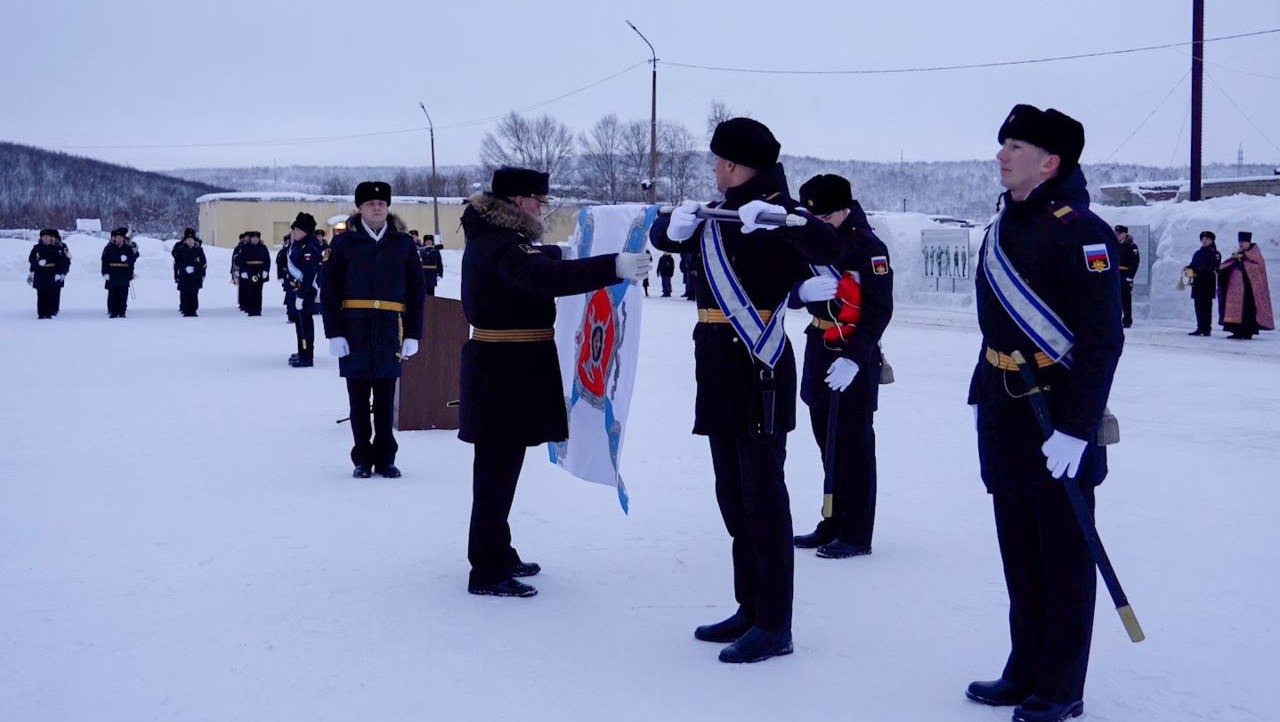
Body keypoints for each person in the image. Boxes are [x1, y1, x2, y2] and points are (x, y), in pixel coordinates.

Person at [649, 118, 840, 663]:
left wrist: (786, 222)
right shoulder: (720, 211)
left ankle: (775, 623)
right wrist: (670, 229)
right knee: (732, 495)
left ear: (734, 164)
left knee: (764, 499)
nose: (714, 169)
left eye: (718, 161)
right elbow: (666, 238)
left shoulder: (777, 211)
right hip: (717, 365)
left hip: (760, 366)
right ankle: (749, 606)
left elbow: (828, 243)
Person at [966, 105, 1124, 722]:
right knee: (1020, 551)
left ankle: (1061, 685)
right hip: (1004, 408)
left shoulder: (1082, 231)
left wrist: (1077, 429)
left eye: (1015, 146)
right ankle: (1024, 667)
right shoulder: (1003, 224)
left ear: (1050, 162)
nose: (1001, 155)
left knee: (1062, 555)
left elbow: (1102, 340)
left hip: (1056, 413)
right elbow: (995, 326)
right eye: (1002, 143)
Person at [459, 166, 650, 598]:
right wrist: (612, 265)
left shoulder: (497, 238)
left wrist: (563, 252)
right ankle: (486, 568)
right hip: (502, 372)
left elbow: (539, 261)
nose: (542, 208)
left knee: (501, 468)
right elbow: (545, 277)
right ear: (518, 201)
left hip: (506, 368)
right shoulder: (503, 245)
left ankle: (497, 550)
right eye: (538, 200)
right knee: (495, 472)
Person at [790, 174, 894, 559]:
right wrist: (801, 293)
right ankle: (833, 521)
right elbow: (788, 285)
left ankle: (856, 531)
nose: (821, 223)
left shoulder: (869, 247)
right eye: (815, 217)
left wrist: (853, 358)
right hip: (819, 346)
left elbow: (879, 310)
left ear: (844, 209)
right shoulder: (807, 237)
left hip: (854, 353)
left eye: (827, 216)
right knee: (827, 441)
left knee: (854, 446)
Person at [321, 181, 427, 478]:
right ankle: (362, 458)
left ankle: (386, 458)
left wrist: (413, 333)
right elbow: (329, 291)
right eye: (370, 203)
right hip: (353, 329)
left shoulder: (403, 244)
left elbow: (416, 292)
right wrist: (334, 333)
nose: (377, 207)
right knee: (358, 399)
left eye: (381, 203)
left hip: (389, 329)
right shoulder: (343, 244)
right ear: (360, 208)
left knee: (384, 399)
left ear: (388, 207)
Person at [1218, 231, 1274, 339]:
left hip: (1249, 290)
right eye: (1240, 242)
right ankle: (1236, 331)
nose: (1241, 244)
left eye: (1243, 242)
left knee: (1247, 310)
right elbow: (1228, 264)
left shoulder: (1255, 255)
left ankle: (1247, 332)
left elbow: (1258, 268)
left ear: (1248, 242)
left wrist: (1243, 264)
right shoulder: (1239, 253)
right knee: (1234, 310)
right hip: (1234, 289)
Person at [287, 213, 323, 367]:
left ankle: (307, 357)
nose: (294, 232)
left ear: (305, 232)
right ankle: (302, 351)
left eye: (297, 230)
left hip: (306, 293)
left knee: (305, 324)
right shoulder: (299, 245)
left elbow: (309, 274)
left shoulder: (309, 248)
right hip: (298, 291)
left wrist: (301, 296)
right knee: (299, 323)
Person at [1184, 230, 1221, 336]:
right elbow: (1193, 264)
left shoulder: (1215, 254)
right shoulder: (1198, 253)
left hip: (1207, 284)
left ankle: (1206, 328)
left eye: (1207, 239)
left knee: (1206, 306)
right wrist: (1189, 268)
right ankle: (1200, 327)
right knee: (1198, 306)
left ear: (1211, 240)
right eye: (1203, 239)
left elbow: (1212, 267)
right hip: (1197, 283)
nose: (1204, 241)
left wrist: (1198, 270)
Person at [28, 229, 71, 319]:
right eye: (44, 237)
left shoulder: (62, 246)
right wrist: (34, 268)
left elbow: (67, 260)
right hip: (41, 273)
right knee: (42, 292)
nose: (51, 239)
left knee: (55, 291)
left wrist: (63, 272)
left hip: (55, 272)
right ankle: (43, 312)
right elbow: (32, 259)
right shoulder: (37, 247)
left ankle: (53, 309)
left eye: (51, 237)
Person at [101, 227, 139, 318]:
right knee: (112, 294)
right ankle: (113, 312)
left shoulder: (127, 248)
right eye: (117, 237)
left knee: (123, 293)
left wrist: (127, 260)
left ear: (123, 238)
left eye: (120, 237)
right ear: (114, 238)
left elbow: (133, 260)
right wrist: (105, 273)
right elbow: (104, 261)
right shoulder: (109, 248)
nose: (118, 239)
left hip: (123, 274)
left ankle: (122, 311)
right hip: (112, 273)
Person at [172, 228, 207, 317]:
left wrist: (195, 269)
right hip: (184, 275)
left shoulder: (199, 250)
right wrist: (184, 268)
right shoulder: (180, 249)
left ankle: (193, 310)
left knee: (194, 293)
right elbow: (177, 262)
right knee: (185, 293)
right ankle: (186, 310)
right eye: (188, 239)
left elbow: (203, 263)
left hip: (195, 276)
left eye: (191, 239)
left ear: (194, 240)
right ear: (185, 240)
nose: (189, 241)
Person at [238, 231, 271, 316]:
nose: (255, 239)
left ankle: (258, 310)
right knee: (250, 290)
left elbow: (267, 260)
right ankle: (251, 310)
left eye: (257, 238)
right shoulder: (245, 247)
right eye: (253, 238)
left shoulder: (263, 247)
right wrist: (243, 271)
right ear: (251, 238)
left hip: (260, 270)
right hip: (249, 270)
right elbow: (241, 260)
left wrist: (266, 270)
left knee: (258, 290)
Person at [1114, 225, 1139, 328]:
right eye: (1116, 233)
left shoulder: (1131, 246)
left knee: (1125, 299)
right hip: (1116, 274)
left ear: (1125, 234)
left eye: (1119, 233)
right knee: (1115, 299)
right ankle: (1115, 319)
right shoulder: (1115, 244)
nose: (1117, 235)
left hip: (1125, 274)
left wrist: (1130, 277)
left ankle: (1127, 320)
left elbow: (1135, 262)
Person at [277, 233, 298, 323]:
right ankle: (291, 315)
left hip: (299, 277)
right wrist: (280, 276)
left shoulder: (301, 248)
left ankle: (299, 315)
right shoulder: (285, 250)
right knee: (291, 296)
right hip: (288, 276)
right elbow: (280, 264)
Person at [231, 232, 248, 311]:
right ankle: (242, 303)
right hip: (240, 269)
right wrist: (234, 271)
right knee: (242, 287)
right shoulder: (238, 248)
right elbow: (234, 260)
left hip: (248, 270)